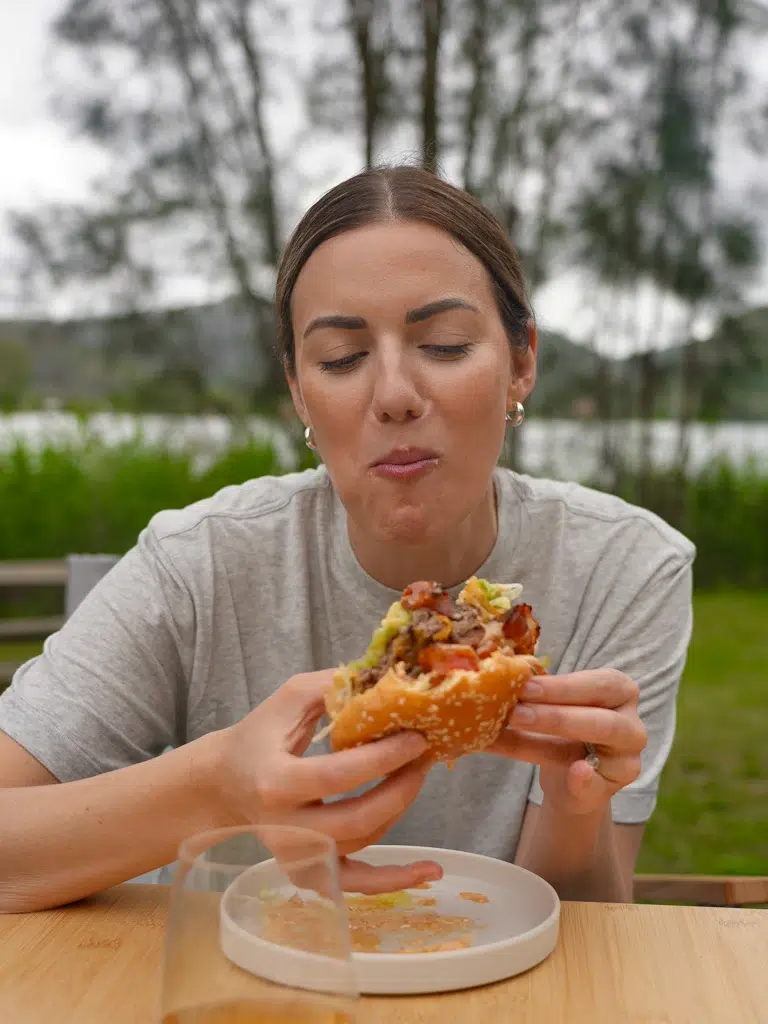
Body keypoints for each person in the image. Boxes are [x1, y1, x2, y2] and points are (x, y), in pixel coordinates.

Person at [0, 166, 694, 914]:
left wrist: (575, 804)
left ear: (521, 361)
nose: (394, 395)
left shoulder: (628, 567)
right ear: (300, 390)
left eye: (446, 344)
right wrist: (215, 789)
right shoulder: (198, 564)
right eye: (340, 359)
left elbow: (583, 930)